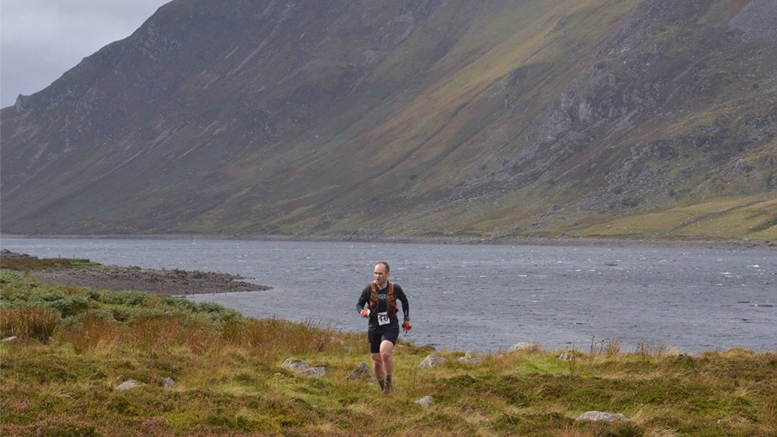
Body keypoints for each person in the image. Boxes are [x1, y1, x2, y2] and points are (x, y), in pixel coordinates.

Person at [356, 261, 411, 393]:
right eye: (375, 273)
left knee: (385, 352)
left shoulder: (395, 288)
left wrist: (406, 319)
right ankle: (384, 389)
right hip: (374, 326)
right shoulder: (369, 289)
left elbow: (404, 301)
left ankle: (389, 381)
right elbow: (359, 304)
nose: (377, 276)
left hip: (390, 325)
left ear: (387, 274)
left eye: (380, 273)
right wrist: (362, 312)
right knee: (376, 360)